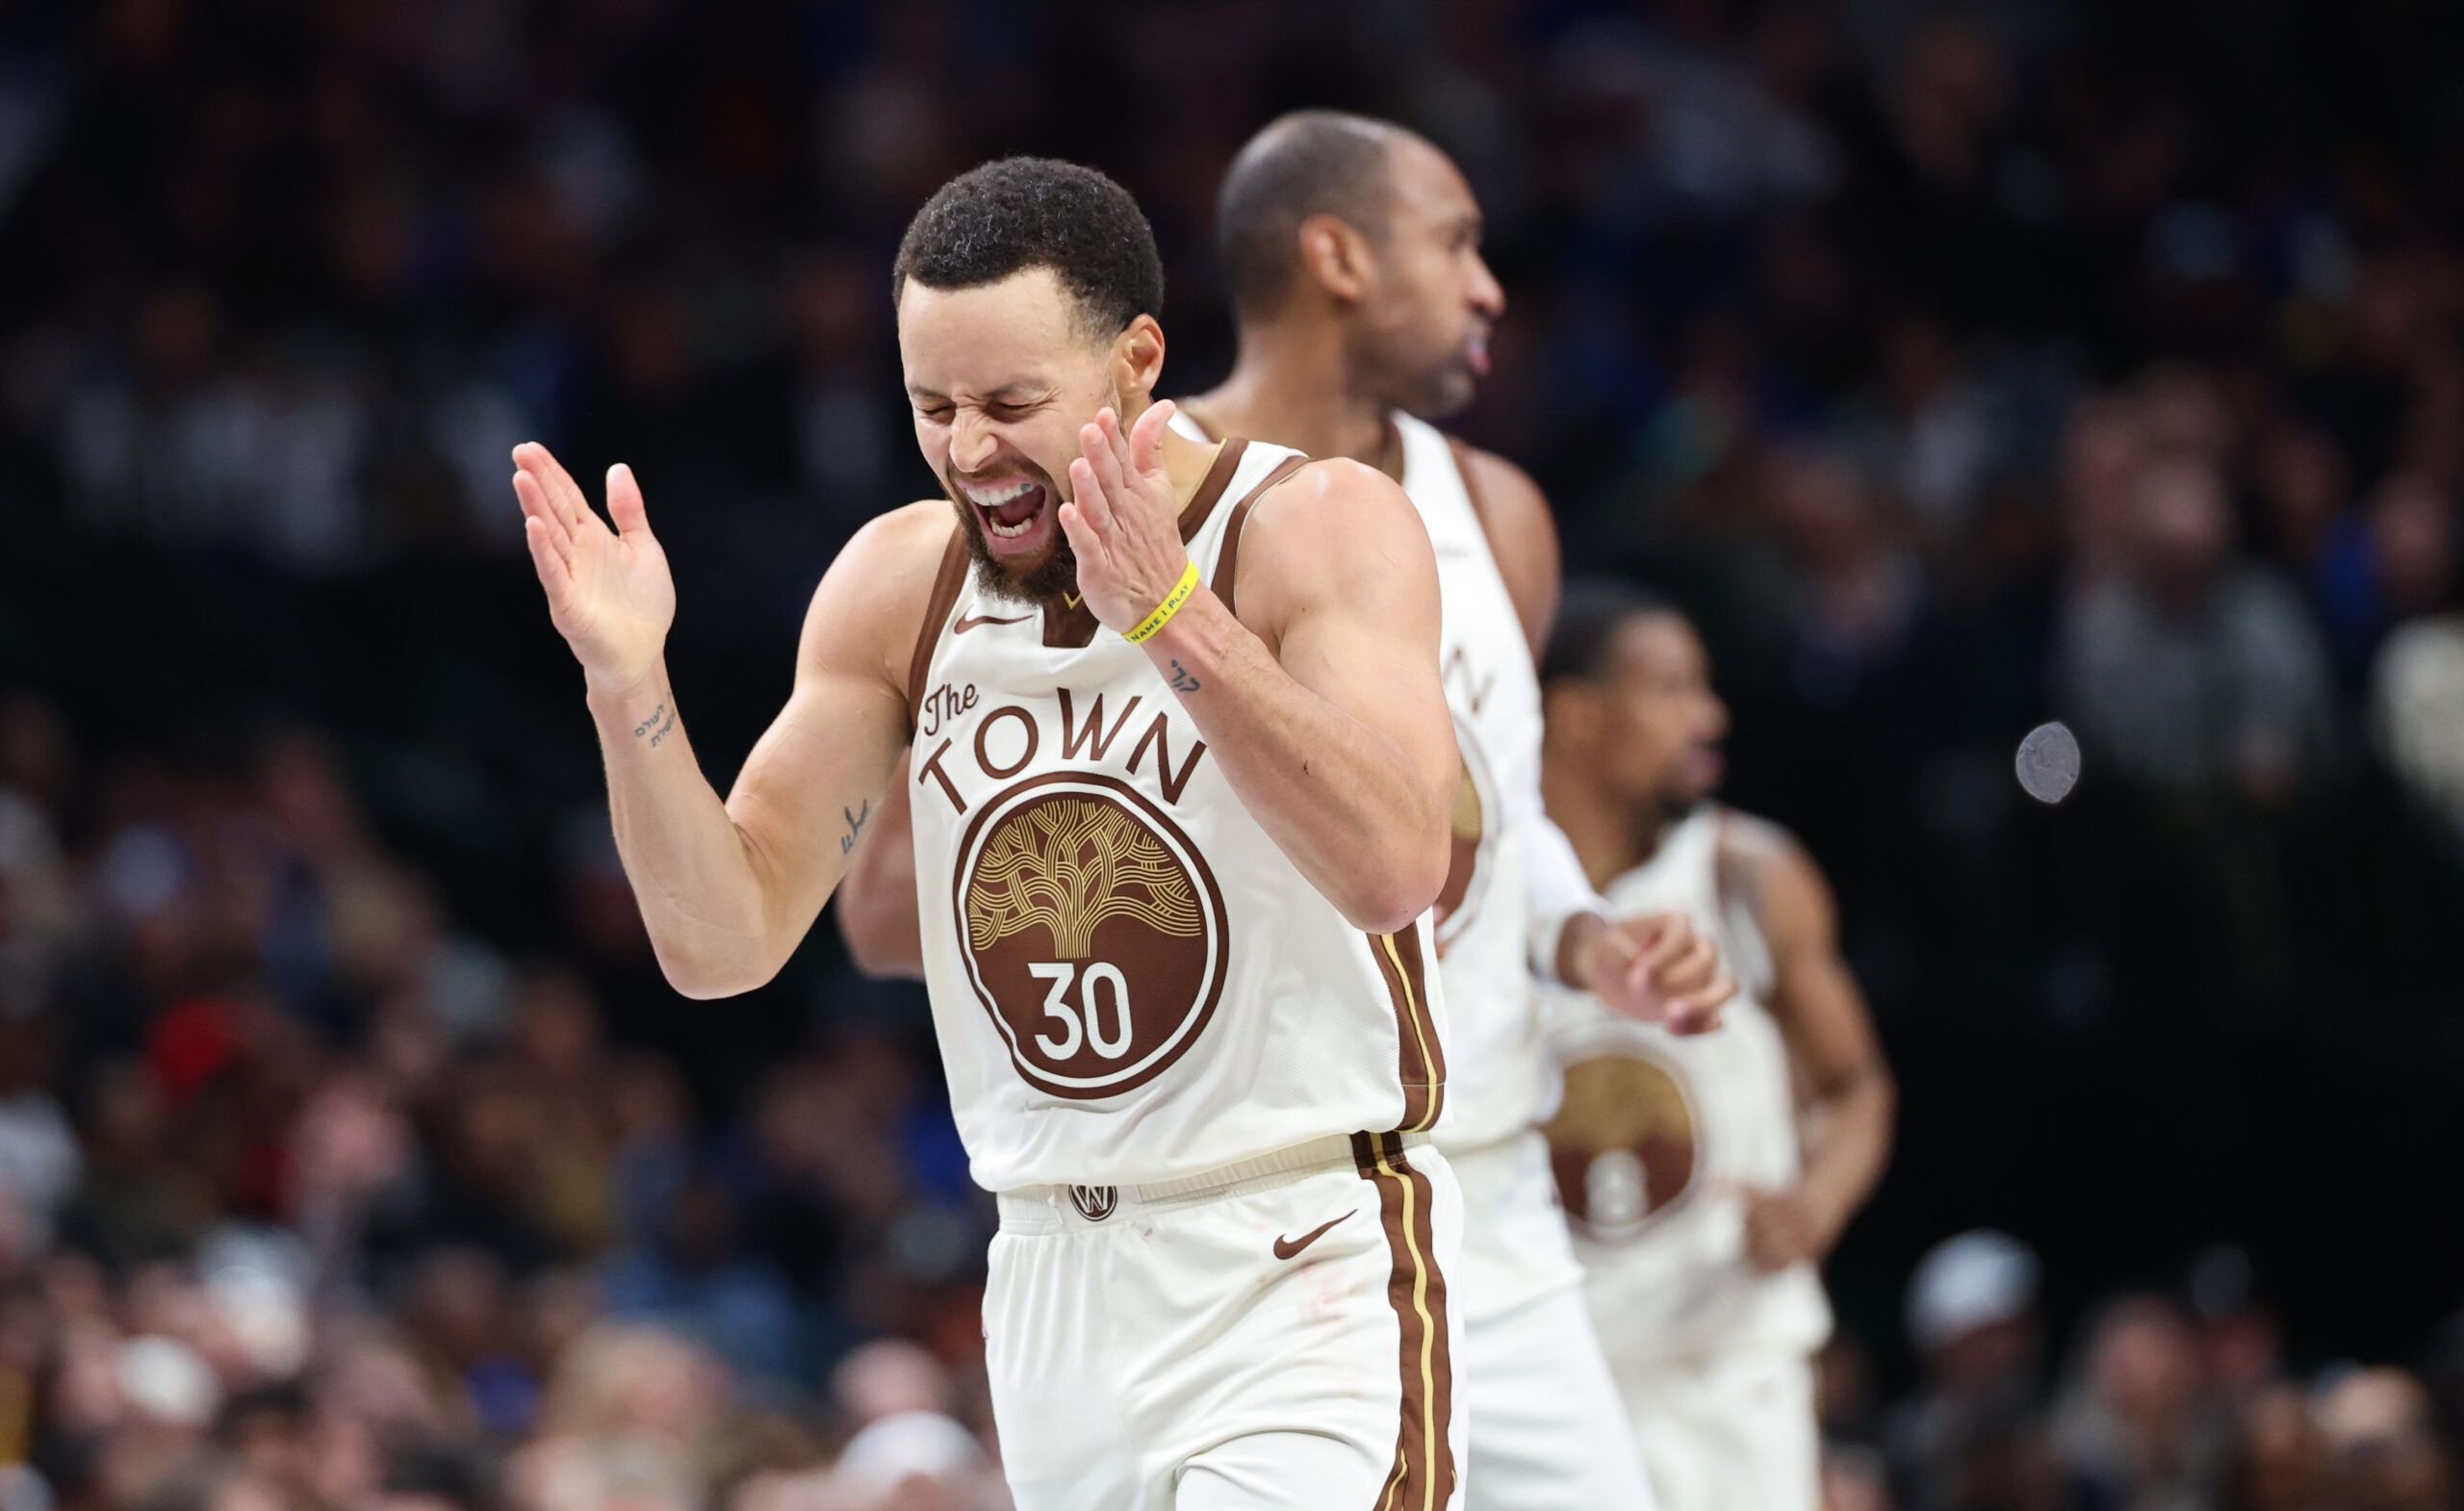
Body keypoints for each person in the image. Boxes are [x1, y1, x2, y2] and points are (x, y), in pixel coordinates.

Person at [513, 156, 1480, 1510]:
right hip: (1046, 1282)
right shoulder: (894, 585)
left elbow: (1394, 867)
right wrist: (630, 690)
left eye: (1014, 403)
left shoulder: (1310, 526)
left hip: (1297, 1256)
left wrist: (1171, 616)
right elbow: (719, 942)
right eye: (934, 406)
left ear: (1137, 359)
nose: (971, 448)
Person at [835, 114, 1735, 1511]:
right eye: (1454, 243)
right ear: (1336, 258)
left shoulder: (1497, 514)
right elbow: (896, 913)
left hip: (1473, 1178)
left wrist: (1582, 937)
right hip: (1246, 1211)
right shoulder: (1101, 495)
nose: (1489, 285)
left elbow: (1490, 810)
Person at [1536, 581, 1895, 1511]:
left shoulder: (1749, 876)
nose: (1710, 716)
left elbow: (1859, 1089)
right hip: (1555, 1366)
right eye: (1671, 689)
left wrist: (1813, 1206)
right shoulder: (1481, 896)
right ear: (1575, 715)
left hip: (1728, 1365)